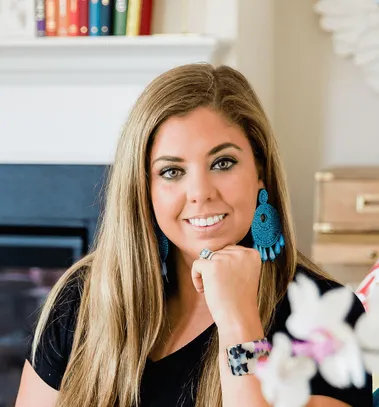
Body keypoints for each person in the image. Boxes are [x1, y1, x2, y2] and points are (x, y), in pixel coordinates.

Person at [15, 63, 373, 407]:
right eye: (172, 171)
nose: (200, 192)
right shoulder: (86, 296)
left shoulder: (329, 318)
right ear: (145, 189)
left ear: (260, 172)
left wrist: (240, 322)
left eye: (223, 163)